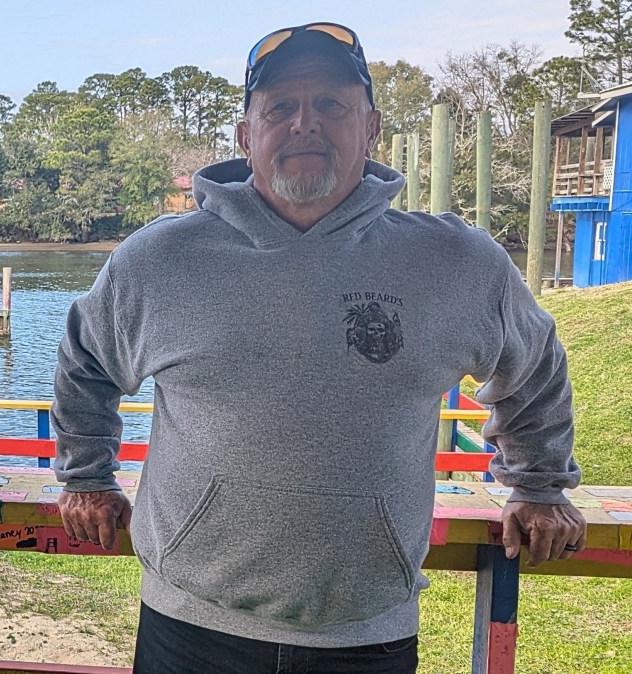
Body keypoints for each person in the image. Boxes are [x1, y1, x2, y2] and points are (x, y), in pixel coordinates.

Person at [51, 22, 586, 674]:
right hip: (187, 627)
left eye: (332, 104)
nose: (306, 123)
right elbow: (85, 362)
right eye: (280, 108)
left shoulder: (456, 262)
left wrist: (538, 485)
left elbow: (532, 366)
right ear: (248, 137)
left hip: (369, 637)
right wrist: (86, 479)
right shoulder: (159, 260)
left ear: (371, 129)